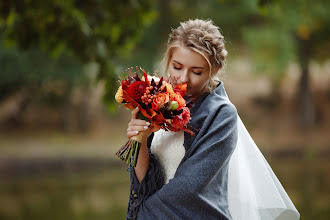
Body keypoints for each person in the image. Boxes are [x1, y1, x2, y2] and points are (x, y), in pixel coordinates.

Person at [125, 19, 300, 220]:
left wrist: (142, 215)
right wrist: (140, 140)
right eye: (177, 66)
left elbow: (188, 190)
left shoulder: (222, 115)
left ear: (214, 70)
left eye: (196, 72)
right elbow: (144, 184)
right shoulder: (157, 100)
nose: (183, 78)